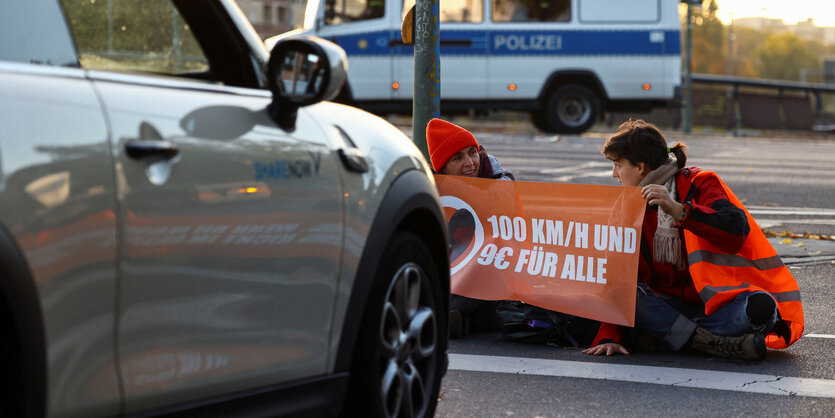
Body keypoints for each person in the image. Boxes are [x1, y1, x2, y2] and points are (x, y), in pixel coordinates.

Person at [582, 119, 804, 361]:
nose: (614, 174)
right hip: (667, 307)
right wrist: (610, 336)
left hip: (717, 306)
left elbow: (736, 233)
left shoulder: (701, 182)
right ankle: (709, 343)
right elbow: (618, 278)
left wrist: (679, 211)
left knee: (763, 307)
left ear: (640, 167)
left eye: (617, 165)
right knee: (630, 295)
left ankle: (674, 339)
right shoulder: (626, 205)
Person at [426, 118, 514, 338]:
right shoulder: (431, 191)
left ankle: (447, 315)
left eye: (472, 153)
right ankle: (459, 318)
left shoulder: (500, 179)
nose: (470, 163)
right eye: (457, 158)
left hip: (497, 273)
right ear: (442, 168)